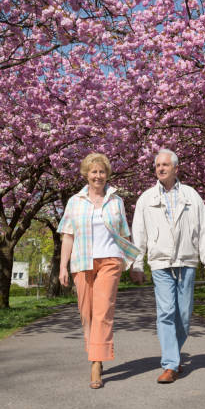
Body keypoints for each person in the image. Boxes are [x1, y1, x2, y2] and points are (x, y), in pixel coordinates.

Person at [130, 148, 205, 384]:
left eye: (165, 165)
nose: (160, 168)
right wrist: (137, 264)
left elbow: (204, 228)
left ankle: (174, 355)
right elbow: (139, 235)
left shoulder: (192, 195)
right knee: (166, 312)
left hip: (187, 261)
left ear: (176, 168)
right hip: (160, 263)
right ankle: (170, 364)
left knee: (184, 315)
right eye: (157, 165)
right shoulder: (146, 199)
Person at [58, 153, 140, 389]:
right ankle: (96, 352)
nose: (98, 176)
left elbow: (124, 233)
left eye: (102, 172)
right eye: (94, 172)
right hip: (82, 262)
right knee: (87, 314)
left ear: (107, 175)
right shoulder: (75, 201)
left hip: (110, 261)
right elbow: (68, 235)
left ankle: (96, 363)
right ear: (86, 174)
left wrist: (130, 262)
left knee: (103, 312)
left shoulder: (116, 201)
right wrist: (63, 266)